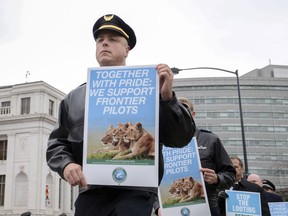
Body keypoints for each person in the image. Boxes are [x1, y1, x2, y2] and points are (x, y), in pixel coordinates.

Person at [46, 14, 195, 216]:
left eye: (113, 39)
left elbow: (180, 138)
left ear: (127, 50)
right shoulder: (74, 98)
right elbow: (57, 143)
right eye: (100, 40)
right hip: (91, 194)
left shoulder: (151, 91)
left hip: (137, 194)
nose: (104, 43)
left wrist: (168, 99)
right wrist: (66, 164)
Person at [178, 97, 236, 216]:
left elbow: (230, 174)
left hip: (207, 207)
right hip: (174, 209)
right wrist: (158, 207)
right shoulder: (162, 143)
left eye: (184, 108)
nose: (181, 113)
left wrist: (217, 178)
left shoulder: (211, 140)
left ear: (193, 114)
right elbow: (154, 179)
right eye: (176, 110)